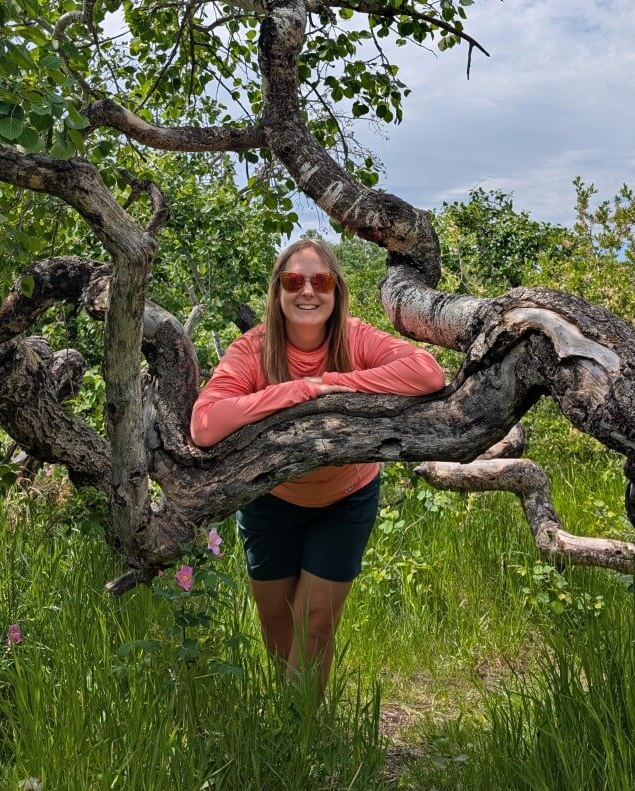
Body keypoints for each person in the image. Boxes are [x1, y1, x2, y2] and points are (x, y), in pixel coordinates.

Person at [190, 237, 446, 693]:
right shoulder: (252, 349)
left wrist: (330, 382)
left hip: (345, 497)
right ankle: (292, 732)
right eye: (293, 280)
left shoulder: (355, 335)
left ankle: (303, 733)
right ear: (278, 292)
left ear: (336, 290)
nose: (307, 291)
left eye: (320, 280)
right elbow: (205, 424)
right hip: (271, 497)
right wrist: (299, 391)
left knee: (316, 624)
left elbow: (428, 373)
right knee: (276, 624)